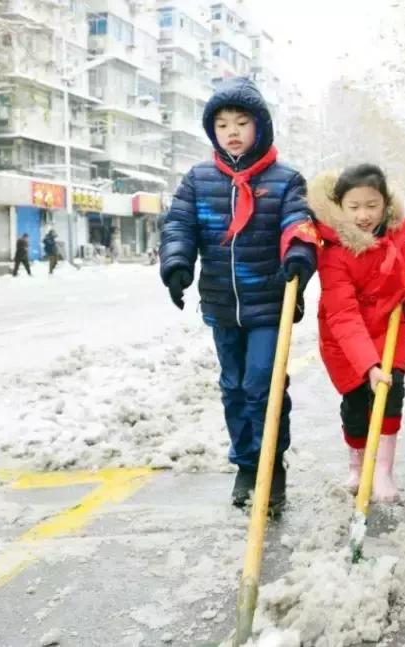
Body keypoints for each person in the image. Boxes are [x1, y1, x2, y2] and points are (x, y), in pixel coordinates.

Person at [158, 78, 319, 511]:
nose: (232, 131)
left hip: (269, 303)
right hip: (221, 304)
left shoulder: (285, 180)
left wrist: (298, 255)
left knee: (262, 384)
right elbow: (179, 226)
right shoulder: (198, 180)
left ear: (260, 126)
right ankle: (247, 464)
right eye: (223, 124)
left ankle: (271, 464)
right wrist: (177, 264)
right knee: (233, 387)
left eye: (242, 122)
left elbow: (298, 224)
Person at [309, 164, 405, 502]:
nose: (364, 215)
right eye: (353, 207)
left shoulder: (399, 232)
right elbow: (343, 315)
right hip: (346, 341)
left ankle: (383, 470)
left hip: (389, 328)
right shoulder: (334, 252)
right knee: (355, 406)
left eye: (372, 205)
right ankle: (358, 463)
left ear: (385, 204)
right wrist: (368, 365)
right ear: (340, 206)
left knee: (391, 396)